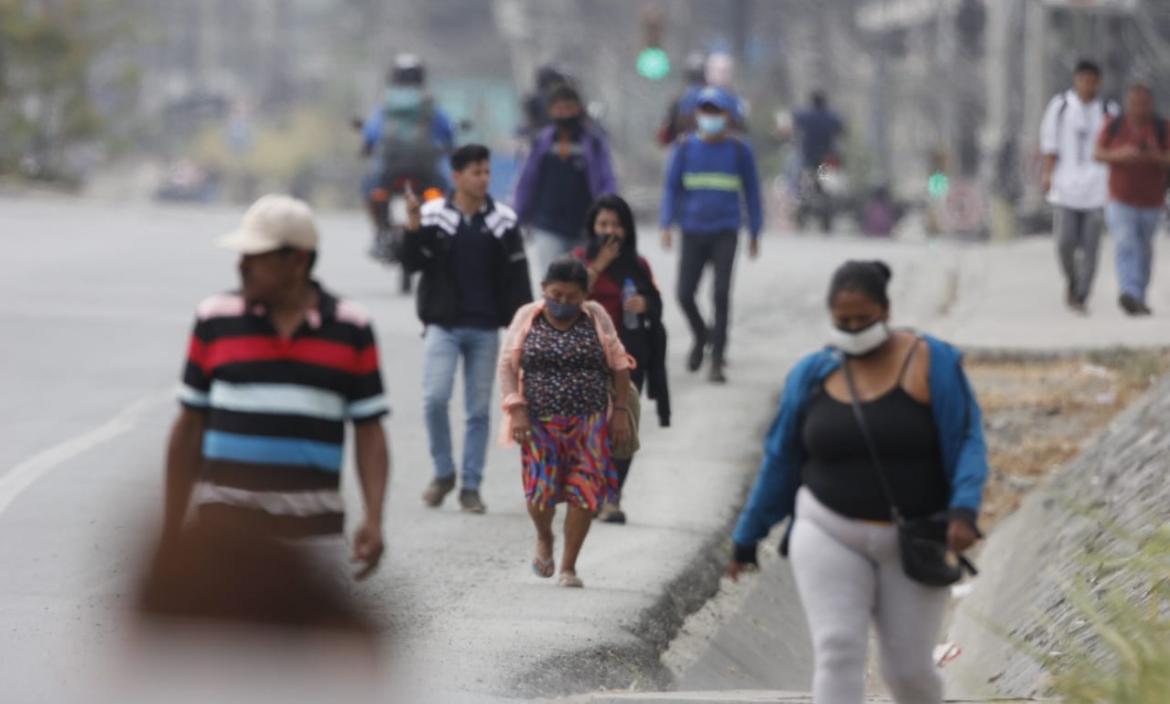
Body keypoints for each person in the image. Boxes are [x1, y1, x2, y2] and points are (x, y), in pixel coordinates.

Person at [727, 260, 989, 704]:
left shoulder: (932, 362)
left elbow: (968, 439)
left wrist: (964, 509)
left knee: (908, 673)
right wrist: (747, 537)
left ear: (886, 311)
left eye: (862, 320)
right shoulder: (812, 374)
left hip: (913, 539)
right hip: (827, 530)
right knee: (837, 650)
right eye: (842, 322)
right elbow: (781, 458)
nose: (852, 330)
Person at [166, 194, 390, 580]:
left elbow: (369, 429)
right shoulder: (214, 319)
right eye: (242, 256)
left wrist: (374, 518)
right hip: (220, 535)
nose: (242, 266)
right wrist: (170, 529)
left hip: (313, 542)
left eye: (256, 257)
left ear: (298, 261)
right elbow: (189, 425)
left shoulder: (351, 328)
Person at [401, 144, 534, 514]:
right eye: (476, 172)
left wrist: (521, 327)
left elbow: (518, 278)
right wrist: (412, 228)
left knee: (478, 411)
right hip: (442, 325)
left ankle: (471, 486)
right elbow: (410, 264)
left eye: (487, 172)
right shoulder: (431, 216)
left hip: (485, 328)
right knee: (434, 399)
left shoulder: (503, 221)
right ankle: (444, 472)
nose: (483, 179)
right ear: (456, 176)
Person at [498, 258, 633, 588]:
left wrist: (619, 412)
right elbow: (506, 367)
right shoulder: (527, 317)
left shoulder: (596, 316)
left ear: (584, 296)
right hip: (538, 423)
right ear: (544, 289)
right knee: (539, 494)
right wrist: (515, 410)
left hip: (589, 423)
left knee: (584, 493)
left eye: (572, 297)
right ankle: (544, 536)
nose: (563, 303)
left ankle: (569, 567)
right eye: (556, 294)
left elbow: (619, 364)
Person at [575, 195, 671, 524]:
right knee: (589, 430)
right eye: (603, 225)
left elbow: (656, 302)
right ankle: (590, 489)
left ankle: (612, 497)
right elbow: (566, 302)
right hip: (585, 359)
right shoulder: (577, 261)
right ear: (592, 229)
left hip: (629, 359)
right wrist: (597, 266)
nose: (610, 232)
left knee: (623, 427)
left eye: (616, 226)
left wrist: (645, 304)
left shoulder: (638, 265)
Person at [660, 86, 764, 384]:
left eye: (716, 112)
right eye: (705, 111)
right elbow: (672, 189)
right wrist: (666, 224)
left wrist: (755, 231)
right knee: (683, 293)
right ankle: (702, 334)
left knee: (720, 295)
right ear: (697, 115)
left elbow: (752, 193)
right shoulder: (684, 148)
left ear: (727, 117)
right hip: (692, 230)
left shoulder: (739, 150)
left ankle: (717, 359)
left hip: (725, 231)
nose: (710, 117)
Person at [513, 83, 619, 272]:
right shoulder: (541, 142)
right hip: (547, 226)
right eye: (559, 109)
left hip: (584, 228)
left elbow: (607, 179)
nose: (564, 114)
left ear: (578, 109)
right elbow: (527, 181)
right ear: (550, 111)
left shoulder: (592, 142)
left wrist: (609, 211)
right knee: (553, 283)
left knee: (584, 285)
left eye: (569, 108)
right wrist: (518, 217)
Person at [1040, 60, 1115, 313]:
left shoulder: (1108, 110)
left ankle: (1082, 295)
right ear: (1076, 80)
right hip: (1066, 186)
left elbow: (1114, 149)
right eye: (1083, 79)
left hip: (1097, 188)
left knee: (1092, 246)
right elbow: (1050, 145)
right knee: (1065, 242)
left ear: (1099, 82)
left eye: (1092, 80)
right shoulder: (1061, 107)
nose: (1087, 85)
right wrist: (1047, 174)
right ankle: (1072, 281)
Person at [1095, 80, 1170, 316]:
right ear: (1128, 104)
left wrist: (1153, 156)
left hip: (1151, 201)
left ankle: (1139, 294)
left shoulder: (1162, 127)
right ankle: (1129, 291)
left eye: (1143, 103)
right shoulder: (1115, 125)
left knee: (1144, 249)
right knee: (1126, 243)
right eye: (1134, 103)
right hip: (1120, 199)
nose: (1139, 108)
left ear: (1150, 104)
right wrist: (1122, 155)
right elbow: (1097, 152)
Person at [360, 54, 457, 229]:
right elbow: (447, 132)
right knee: (444, 192)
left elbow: (371, 134)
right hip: (426, 170)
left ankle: (379, 231)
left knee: (371, 190)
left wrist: (366, 147)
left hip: (388, 170)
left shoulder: (386, 106)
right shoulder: (430, 106)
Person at [793, 91, 844, 173]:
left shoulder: (806, 116)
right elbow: (840, 128)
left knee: (808, 177)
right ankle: (820, 181)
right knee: (823, 176)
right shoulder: (831, 117)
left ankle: (810, 182)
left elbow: (796, 119)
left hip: (809, 155)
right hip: (825, 156)